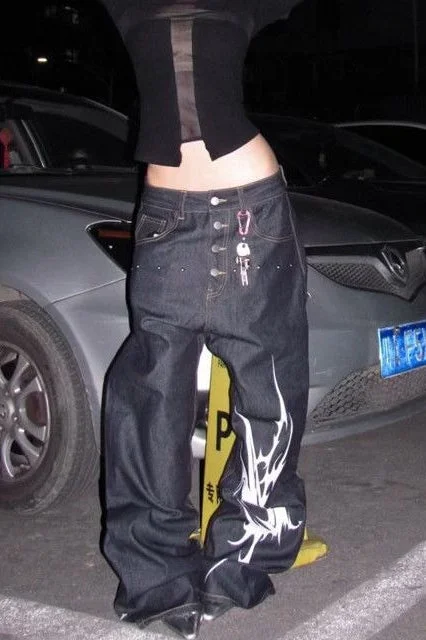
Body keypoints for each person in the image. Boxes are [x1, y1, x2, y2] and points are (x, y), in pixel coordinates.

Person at [100, 1, 307, 638]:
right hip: (168, 219)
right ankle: (156, 580)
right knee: (149, 400)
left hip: (254, 211)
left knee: (269, 393)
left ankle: (241, 562)